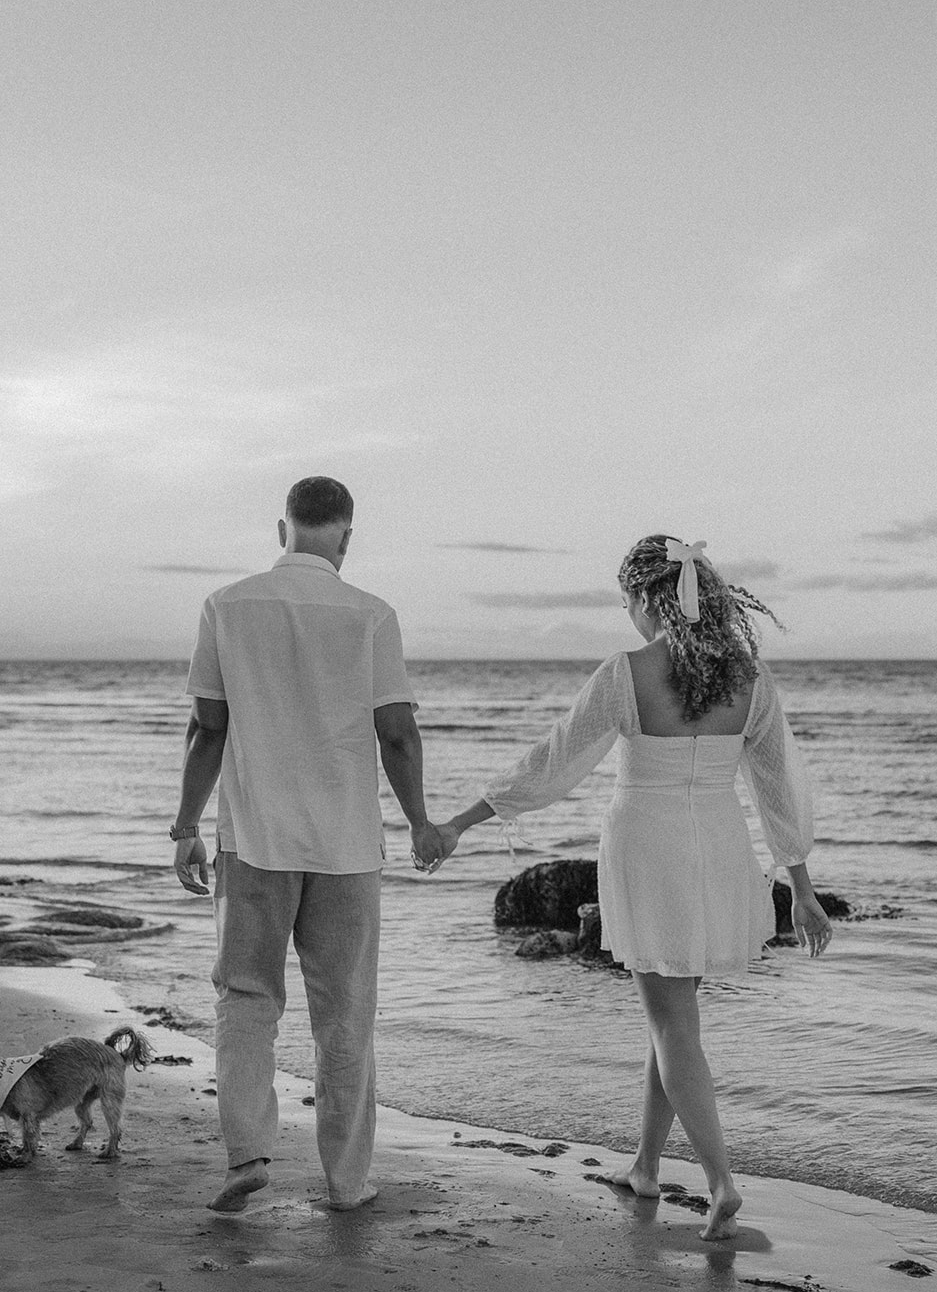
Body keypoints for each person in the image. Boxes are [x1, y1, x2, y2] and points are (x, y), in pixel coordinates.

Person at [430, 534, 832, 1241]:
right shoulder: (748, 678)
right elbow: (776, 788)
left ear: (649, 598)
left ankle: (719, 1182)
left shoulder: (626, 672)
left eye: (626, 602)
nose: (627, 617)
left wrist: (463, 819)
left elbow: (553, 762)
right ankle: (645, 1164)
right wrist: (799, 886)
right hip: (716, 850)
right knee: (673, 1016)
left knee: (670, 1021)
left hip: (648, 851)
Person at [171, 476, 444, 1214]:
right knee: (346, 1016)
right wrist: (419, 820)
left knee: (246, 1001)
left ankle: (247, 1154)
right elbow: (397, 731)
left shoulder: (226, 605)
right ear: (346, 536)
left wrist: (185, 826)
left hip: (254, 840)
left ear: (280, 529)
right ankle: (347, 1182)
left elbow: (208, 726)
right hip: (348, 847)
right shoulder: (371, 615)